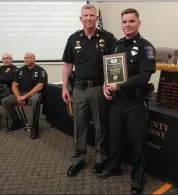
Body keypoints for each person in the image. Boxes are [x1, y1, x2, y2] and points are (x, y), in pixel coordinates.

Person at [96, 8, 156, 195]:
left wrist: (119, 87)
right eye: (124, 22)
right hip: (117, 102)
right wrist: (107, 86)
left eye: (131, 21)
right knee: (114, 136)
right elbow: (110, 72)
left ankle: (137, 178)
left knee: (138, 142)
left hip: (135, 103)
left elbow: (144, 76)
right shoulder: (117, 45)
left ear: (139, 23)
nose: (127, 25)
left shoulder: (146, 47)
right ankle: (114, 166)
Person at [62, 4, 117, 177]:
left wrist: (110, 86)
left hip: (99, 88)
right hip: (78, 89)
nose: (88, 18)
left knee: (101, 124)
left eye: (92, 15)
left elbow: (114, 65)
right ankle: (79, 158)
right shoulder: (73, 39)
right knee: (79, 125)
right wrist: (64, 87)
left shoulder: (108, 38)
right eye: (85, 15)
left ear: (97, 18)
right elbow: (68, 64)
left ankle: (101, 159)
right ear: (80, 19)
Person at [2, 53, 48, 139]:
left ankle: (34, 128)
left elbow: (39, 86)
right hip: (21, 94)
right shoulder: (20, 70)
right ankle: (17, 122)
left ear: (34, 59)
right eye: (25, 58)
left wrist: (25, 96)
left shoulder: (40, 71)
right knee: (6, 101)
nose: (26, 59)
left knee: (35, 100)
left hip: (34, 94)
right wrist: (18, 96)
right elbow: (14, 85)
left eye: (28, 58)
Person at [0, 53, 18, 132]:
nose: (5, 60)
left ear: (11, 59)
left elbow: (10, 79)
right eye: (4, 58)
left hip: (9, 92)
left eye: (7, 58)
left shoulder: (16, 69)